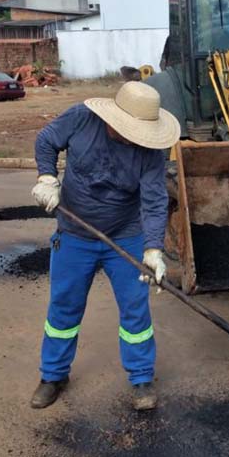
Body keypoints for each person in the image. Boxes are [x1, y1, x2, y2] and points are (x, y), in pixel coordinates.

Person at [29, 81, 181, 411]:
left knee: (135, 310)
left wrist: (153, 249)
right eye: (129, 130)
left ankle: (141, 378)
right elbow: (45, 141)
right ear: (112, 119)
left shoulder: (151, 148)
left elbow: (154, 200)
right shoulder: (81, 119)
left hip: (125, 236)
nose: (133, 139)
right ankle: (53, 376)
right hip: (74, 235)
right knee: (63, 308)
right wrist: (46, 177)